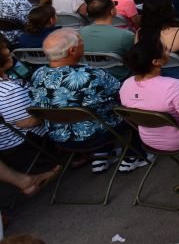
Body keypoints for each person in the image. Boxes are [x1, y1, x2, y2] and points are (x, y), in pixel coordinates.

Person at [29, 29, 149, 172]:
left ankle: (102, 155)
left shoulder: (37, 74)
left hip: (60, 137)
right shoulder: (91, 75)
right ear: (72, 50)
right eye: (81, 42)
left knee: (96, 108)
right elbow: (122, 95)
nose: (83, 44)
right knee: (133, 108)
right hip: (98, 134)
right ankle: (134, 155)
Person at [119, 35, 179, 153]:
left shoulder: (126, 85)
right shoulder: (174, 86)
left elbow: (149, 99)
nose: (169, 51)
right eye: (165, 49)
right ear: (156, 62)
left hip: (147, 139)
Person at [0, 38, 51, 172]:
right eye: (6, 52)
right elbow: (28, 122)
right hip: (30, 143)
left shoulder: (6, 83)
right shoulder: (8, 91)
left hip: (9, 146)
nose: (11, 54)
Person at [80, 0, 135, 80]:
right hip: (119, 77)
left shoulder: (79, 34)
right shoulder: (126, 35)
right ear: (112, 11)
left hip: (90, 76)